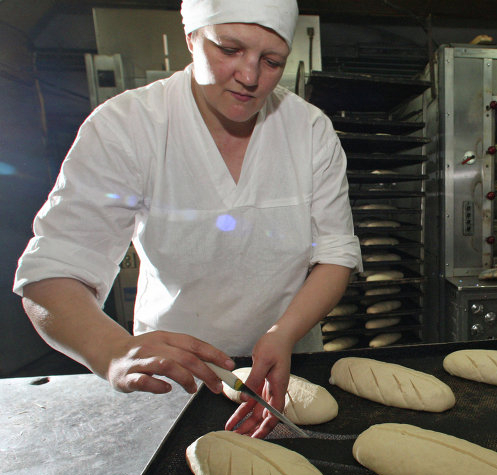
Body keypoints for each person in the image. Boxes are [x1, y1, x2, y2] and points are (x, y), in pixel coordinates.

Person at [13, 0, 361, 439]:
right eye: (229, 49)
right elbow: (53, 273)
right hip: (172, 377)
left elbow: (335, 253)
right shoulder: (128, 126)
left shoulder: (309, 131)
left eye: (271, 61)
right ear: (191, 37)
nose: (251, 78)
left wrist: (284, 332)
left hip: (287, 370)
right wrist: (112, 351)